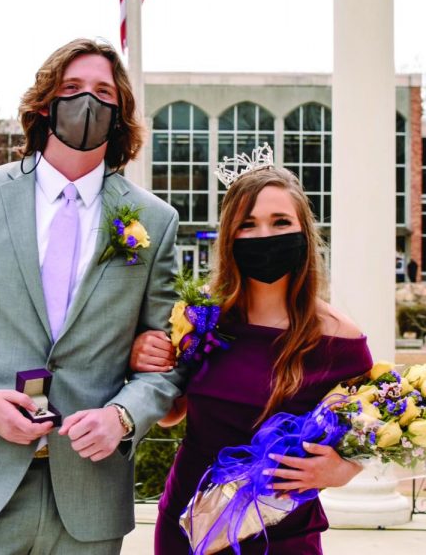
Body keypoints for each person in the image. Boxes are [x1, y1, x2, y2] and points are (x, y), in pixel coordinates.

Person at [0, 38, 186, 555]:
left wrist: (122, 416)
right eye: (72, 88)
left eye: (102, 92)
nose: (87, 101)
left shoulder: (153, 221)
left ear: (119, 114)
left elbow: (169, 357)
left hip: (88, 501)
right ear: (46, 104)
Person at [132, 163, 373, 554]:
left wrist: (342, 471)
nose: (265, 235)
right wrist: (148, 358)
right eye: (248, 224)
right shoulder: (201, 319)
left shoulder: (340, 340)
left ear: (304, 234)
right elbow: (171, 413)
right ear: (230, 236)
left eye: (280, 222)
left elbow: (371, 435)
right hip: (191, 522)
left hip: (282, 531)